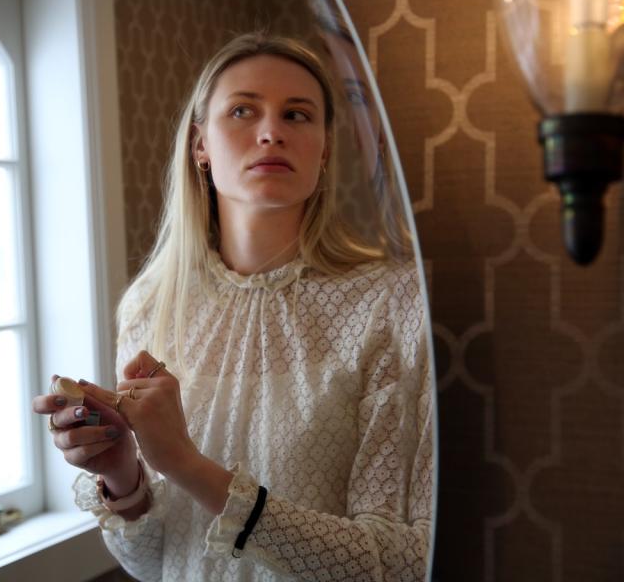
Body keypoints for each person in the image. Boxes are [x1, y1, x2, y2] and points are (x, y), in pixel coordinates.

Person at [32, 33, 434, 581]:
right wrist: (123, 479)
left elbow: (399, 565)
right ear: (200, 143)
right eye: (243, 110)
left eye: (297, 115)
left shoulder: (392, 304)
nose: (271, 132)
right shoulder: (150, 308)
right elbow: (155, 564)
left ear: (325, 149)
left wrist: (185, 465)